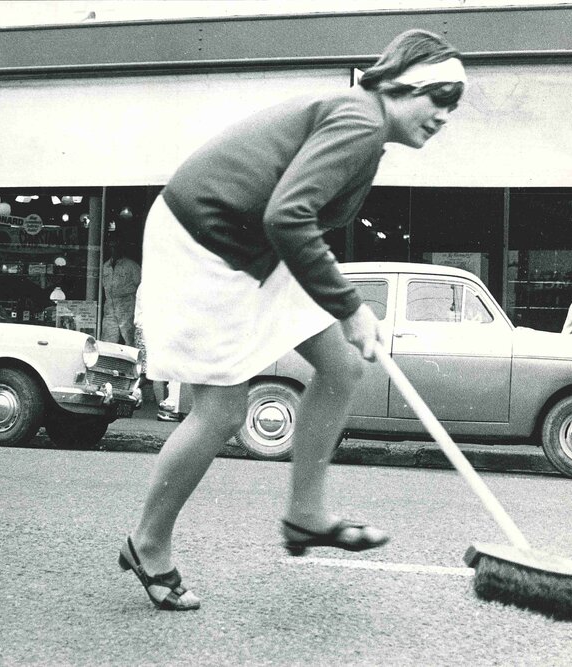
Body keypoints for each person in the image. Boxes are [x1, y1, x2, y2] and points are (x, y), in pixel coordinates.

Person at [120, 29, 466, 610]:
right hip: (206, 242)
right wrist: (350, 305)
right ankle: (147, 543)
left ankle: (306, 516)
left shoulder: (364, 125)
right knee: (222, 409)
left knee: (342, 365)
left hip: (255, 246)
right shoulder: (361, 122)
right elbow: (290, 216)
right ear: (403, 86)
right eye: (439, 98)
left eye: (453, 107)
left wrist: (344, 309)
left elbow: (288, 219)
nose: (444, 116)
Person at [133, 284, 179, 422]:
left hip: (148, 329)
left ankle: (130, 392)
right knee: (155, 370)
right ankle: (162, 408)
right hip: (151, 330)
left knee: (149, 372)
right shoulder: (152, 286)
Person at [100, 237, 141, 345]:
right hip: (110, 307)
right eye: (111, 247)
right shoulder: (105, 266)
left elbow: (140, 285)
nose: (114, 250)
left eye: (116, 247)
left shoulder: (131, 266)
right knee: (108, 339)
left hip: (127, 307)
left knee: (130, 338)